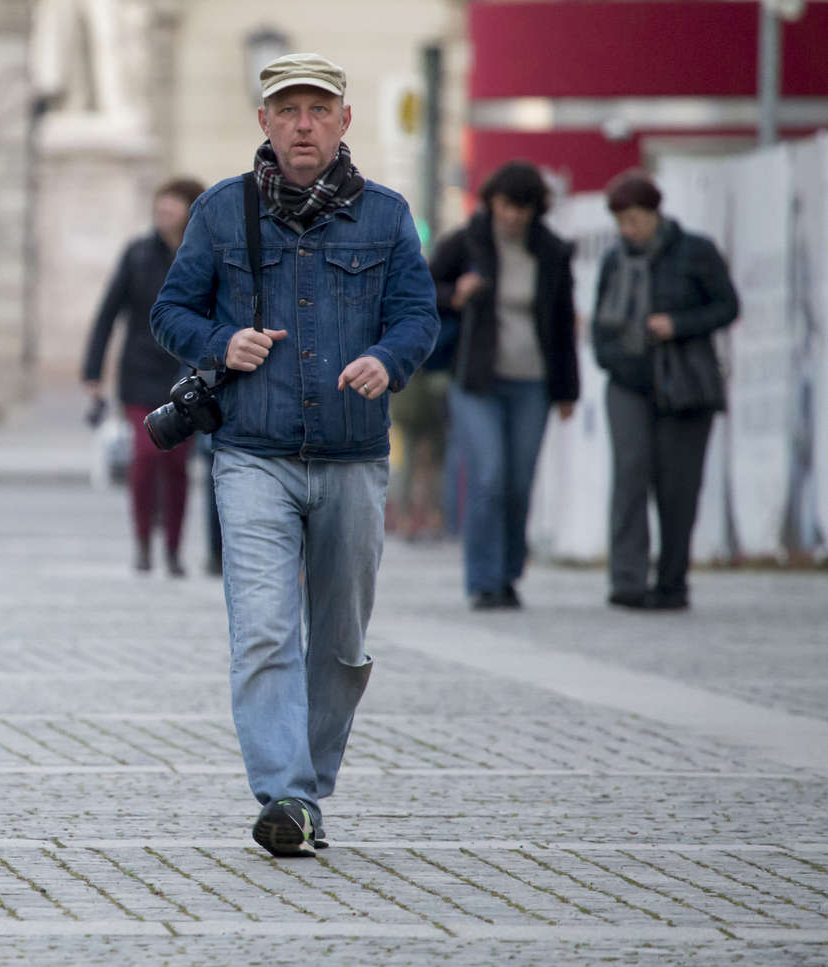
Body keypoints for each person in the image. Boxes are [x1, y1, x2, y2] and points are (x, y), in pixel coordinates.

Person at [151, 52, 439, 857]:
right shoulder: (221, 211)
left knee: (341, 644)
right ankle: (286, 793)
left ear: (344, 120)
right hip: (253, 454)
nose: (303, 124)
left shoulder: (386, 216)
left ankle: (307, 787)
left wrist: (387, 358)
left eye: (317, 110)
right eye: (287, 110)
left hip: (352, 456)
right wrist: (221, 341)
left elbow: (419, 315)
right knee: (264, 632)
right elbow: (171, 312)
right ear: (265, 122)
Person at [429, 161, 579, 609]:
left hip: (533, 382)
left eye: (522, 208)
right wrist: (455, 293)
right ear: (492, 201)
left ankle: (509, 574)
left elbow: (562, 323)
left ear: (536, 209)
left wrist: (567, 391)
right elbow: (420, 289)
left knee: (518, 482)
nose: (513, 215)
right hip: (476, 379)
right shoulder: (466, 242)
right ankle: (483, 580)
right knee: (489, 476)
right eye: (506, 205)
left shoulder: (552, 251)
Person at [593, 170, 738, 610]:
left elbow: (727, 306)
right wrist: (613, 360)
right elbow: (600, 325)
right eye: (620, 221)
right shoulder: (614, 260)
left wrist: (678, 324)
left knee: (678, 487)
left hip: (684, 385)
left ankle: (672, 583)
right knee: (630, 476)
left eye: (634, 219)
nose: (627, 229)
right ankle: (628, 581)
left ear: (654, 213)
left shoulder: (696, 251)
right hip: (628, 383)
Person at [82, 177, 206, 575]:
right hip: (138, 372)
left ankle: (172, 548)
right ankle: (142, 542)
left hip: (185, 375)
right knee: (146, 457)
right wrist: (93, 371)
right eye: (160, 205)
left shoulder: (201, 253)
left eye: (172, 205)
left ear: (189, 210)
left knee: (176, 464)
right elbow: (108, 313)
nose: (164, 212)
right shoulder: (137, 253)